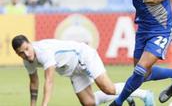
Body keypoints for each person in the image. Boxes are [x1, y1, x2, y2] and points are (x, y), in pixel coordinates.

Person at [12, 34, 154, 106]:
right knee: (89, 103)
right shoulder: (27, 60)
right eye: (21, 53)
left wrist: (44, 105)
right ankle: (123, 95)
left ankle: (145, 94)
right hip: (72, 70)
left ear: (30, 44)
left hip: (83, 56)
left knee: (108, 89)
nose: (26, 54)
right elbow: (34, 83)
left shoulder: (43, 52)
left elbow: (49, 81)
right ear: (17, 54)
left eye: (27, 49)